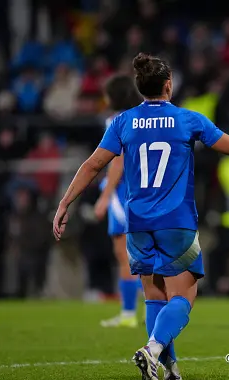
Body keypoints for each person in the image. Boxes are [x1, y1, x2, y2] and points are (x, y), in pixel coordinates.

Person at [52, 52, 229, 380]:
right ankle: (152, 349)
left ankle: (170, 368)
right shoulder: (187, 120)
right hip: (175, 221)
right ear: (168, 85)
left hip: (138, 224)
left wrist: (64, 203)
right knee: (183, 297)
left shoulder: (123, 122)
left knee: (153, 297)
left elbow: (91, 165)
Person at [93, 74, 143, 328]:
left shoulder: (116, 121)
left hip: (122, 192)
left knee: (124, 254)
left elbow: (117, 160)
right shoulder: (140, 117)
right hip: (143, 190)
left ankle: (128, 314)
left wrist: (104, 196)